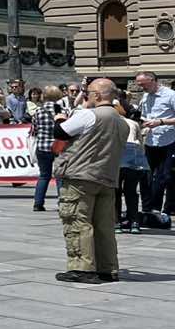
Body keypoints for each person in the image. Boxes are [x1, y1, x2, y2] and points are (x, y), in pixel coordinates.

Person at [53, 78, 129, 283]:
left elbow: (60, 132)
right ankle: (108, 268)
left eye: (88, 93)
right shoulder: (122, 122)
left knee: (77, 221)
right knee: (105, 226)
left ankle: (82, 268)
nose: (87, 96)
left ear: (97, 95)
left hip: (80, 176)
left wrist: (59, 118)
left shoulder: (89, 115)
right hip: (107, 178)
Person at [136, 71, 175, 218]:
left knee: (163, 177)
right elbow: (145, 115)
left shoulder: (171, 95)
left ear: (153, 80)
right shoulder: (146, 96)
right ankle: (147, 207)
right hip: (150, 140)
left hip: (168, 141)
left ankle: (156, 207)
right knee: (145, 176)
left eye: (143, 84)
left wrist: (161, 122)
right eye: (139, 85)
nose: (141, 88)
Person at [119, 101, 149, 235]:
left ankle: (116, 222)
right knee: (131, 191)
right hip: (134, 158)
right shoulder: (133, 123)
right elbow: (141, 144)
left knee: (116, 191)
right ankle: (134, 222)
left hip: (119, 157)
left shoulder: (112, 121)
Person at [30, 85, 62, 211]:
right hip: (58, 146)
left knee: (44, 176)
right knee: (60, 176)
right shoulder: (62, 110)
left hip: (42, 147)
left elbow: (34, 130)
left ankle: (38, 203)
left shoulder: (38, 111)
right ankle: (62, 202)